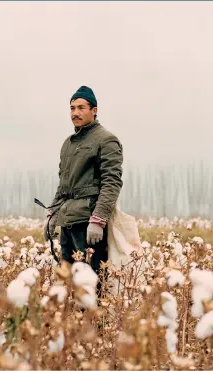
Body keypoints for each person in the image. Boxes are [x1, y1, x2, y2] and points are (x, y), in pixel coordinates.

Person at [43, 86, 123, 295]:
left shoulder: (107, 140)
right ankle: (73, 326)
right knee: (68, 282)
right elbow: (64, 185)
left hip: (88, 225)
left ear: (94, 110)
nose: (75, 113)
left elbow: (111, 182)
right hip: (68, 221)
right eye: (72, 108)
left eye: (81, 108)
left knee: (92, 285)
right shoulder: (68, 144)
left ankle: (97, 327)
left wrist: (98, 220)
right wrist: (52, 213)